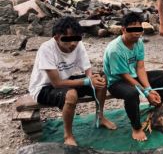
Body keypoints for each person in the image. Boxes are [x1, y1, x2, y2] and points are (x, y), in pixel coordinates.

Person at [28, 16, 116, 146]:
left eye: (76, 38)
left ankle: (100, 117)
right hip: (44, 88)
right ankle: (68, 135)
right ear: (57, 37)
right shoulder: (46, 48)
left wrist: (92, 79)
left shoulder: (78, 44)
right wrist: (87, 82)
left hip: (66, 81)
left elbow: (87, 68)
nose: (73, 44)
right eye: (68, 39)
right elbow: (56, 83)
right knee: (71, 95)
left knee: (101, 81)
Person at [103, 12, 163, 142]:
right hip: (117, 82)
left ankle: (162, 110)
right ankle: (136, 127)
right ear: (123, 29)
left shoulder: (138, 42)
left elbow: (140, 68)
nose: (137, 33)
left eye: (139, 29)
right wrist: (146, 93)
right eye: (132, 29)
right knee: (132, 93)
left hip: (132, 75)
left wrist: (149, 89)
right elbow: (125, 76)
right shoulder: (115, 50)